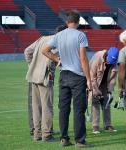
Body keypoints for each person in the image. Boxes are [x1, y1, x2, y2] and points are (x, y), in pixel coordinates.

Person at [42, 11, 93, 148]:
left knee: (63, 109)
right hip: (78, 76)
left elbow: (44, 50)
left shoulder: (59, 35)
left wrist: (56, 58)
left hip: (64, 75)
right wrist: (89, 79)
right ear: (78, 22)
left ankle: (64, 139)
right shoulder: (81, 35)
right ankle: (80, 141)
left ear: (67, 22)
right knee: (78, 109)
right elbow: (83, 58)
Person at [24, 25, 66, 142]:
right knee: (47, 106)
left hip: (33, 76)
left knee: (36, 107)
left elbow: (27, 51)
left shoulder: (42, 38)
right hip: (45, 77)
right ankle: (46, 135)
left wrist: (31, 66)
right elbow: (57, 59)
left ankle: (37, 134)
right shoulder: (58, 42)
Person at [89, 47, 119, 134]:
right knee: (95, 103)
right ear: (106, 55)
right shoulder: (97, 58)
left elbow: (113, 79)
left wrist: (109, 91)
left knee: (107, 103)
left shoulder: (115, 62)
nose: (109, 63)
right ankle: (95, 126)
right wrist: (96, 90)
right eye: (108, 61)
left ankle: (107, 125)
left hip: (105, 83)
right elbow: (92, 77)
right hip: (94, 82)